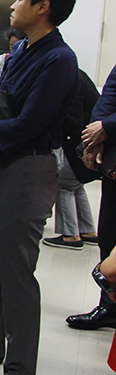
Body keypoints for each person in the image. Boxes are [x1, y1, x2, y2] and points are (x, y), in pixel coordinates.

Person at [0, 0, 80, 373]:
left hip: (26, 173)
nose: (12, 5)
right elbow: (0, 106)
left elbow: (28, 124)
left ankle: (20, 364)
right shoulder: (21, 50)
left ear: (42, 6)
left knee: (16, 274)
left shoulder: (60, 59)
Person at [67, 63, 116, 331]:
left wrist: (107, 126)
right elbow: (108, 97)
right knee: (109, 236)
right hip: (114, 166)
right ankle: (109, 306)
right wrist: (95, 137)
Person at [43, 69, 99, 250]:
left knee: (64, 183)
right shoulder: (78, 75)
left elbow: (74, 122)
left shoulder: (71, 81)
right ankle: (87, 230)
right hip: (88, 143)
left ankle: (70, 235)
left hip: (82, 143)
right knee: (76, 184)